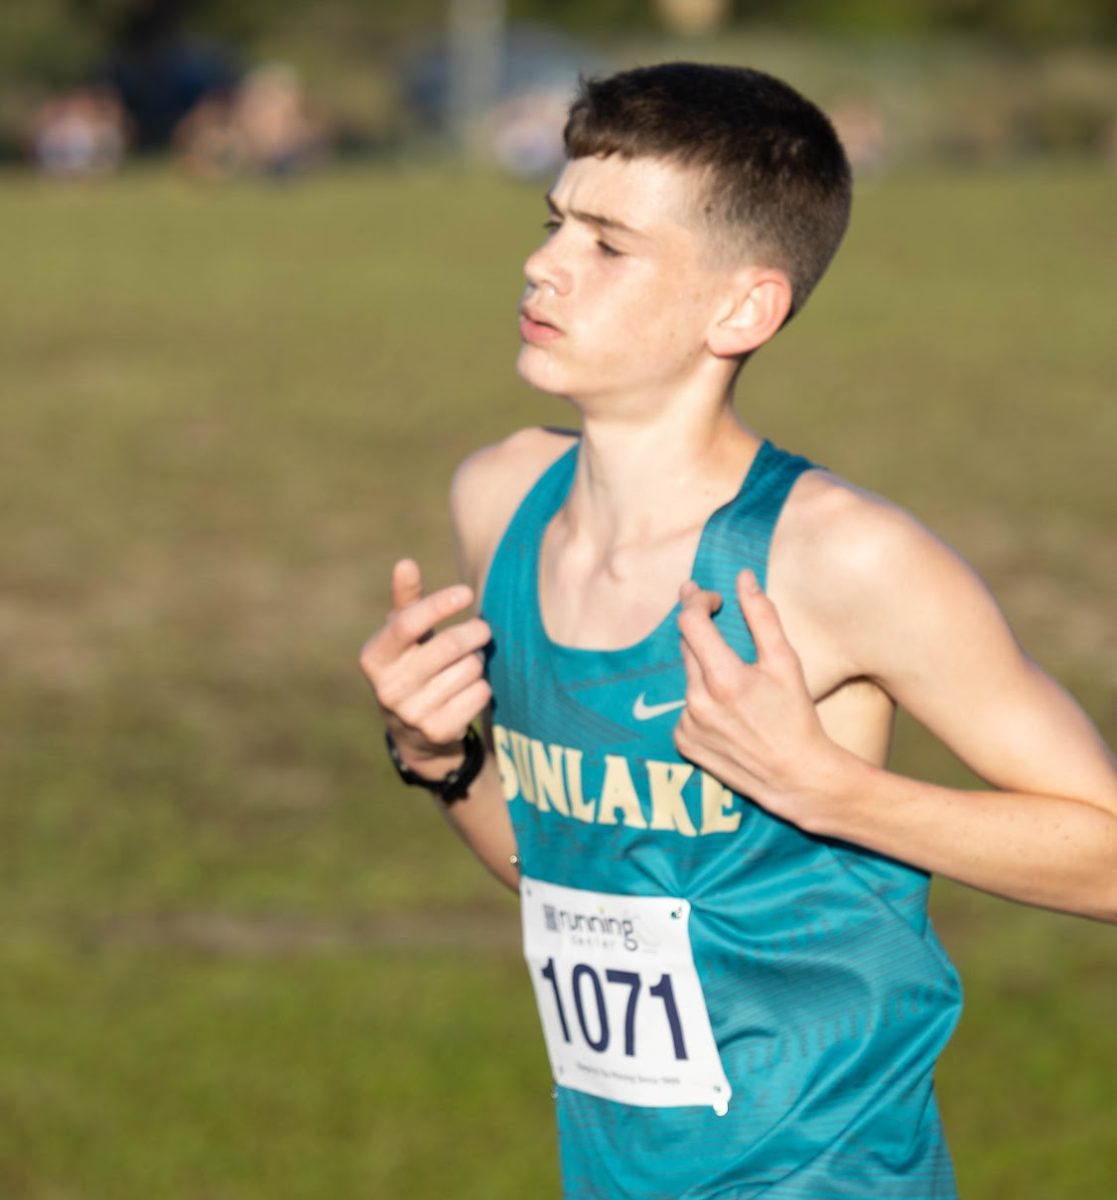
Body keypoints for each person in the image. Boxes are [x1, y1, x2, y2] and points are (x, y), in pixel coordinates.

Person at [360, 63, 1117, 1199]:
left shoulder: (841, 559)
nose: (544, 262)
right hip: (613, 1174)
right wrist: (437, 760)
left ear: (743, 308)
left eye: (609, 246)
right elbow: (570, 881)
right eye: (555, 221)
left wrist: (833, 792)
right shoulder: (500, 503)